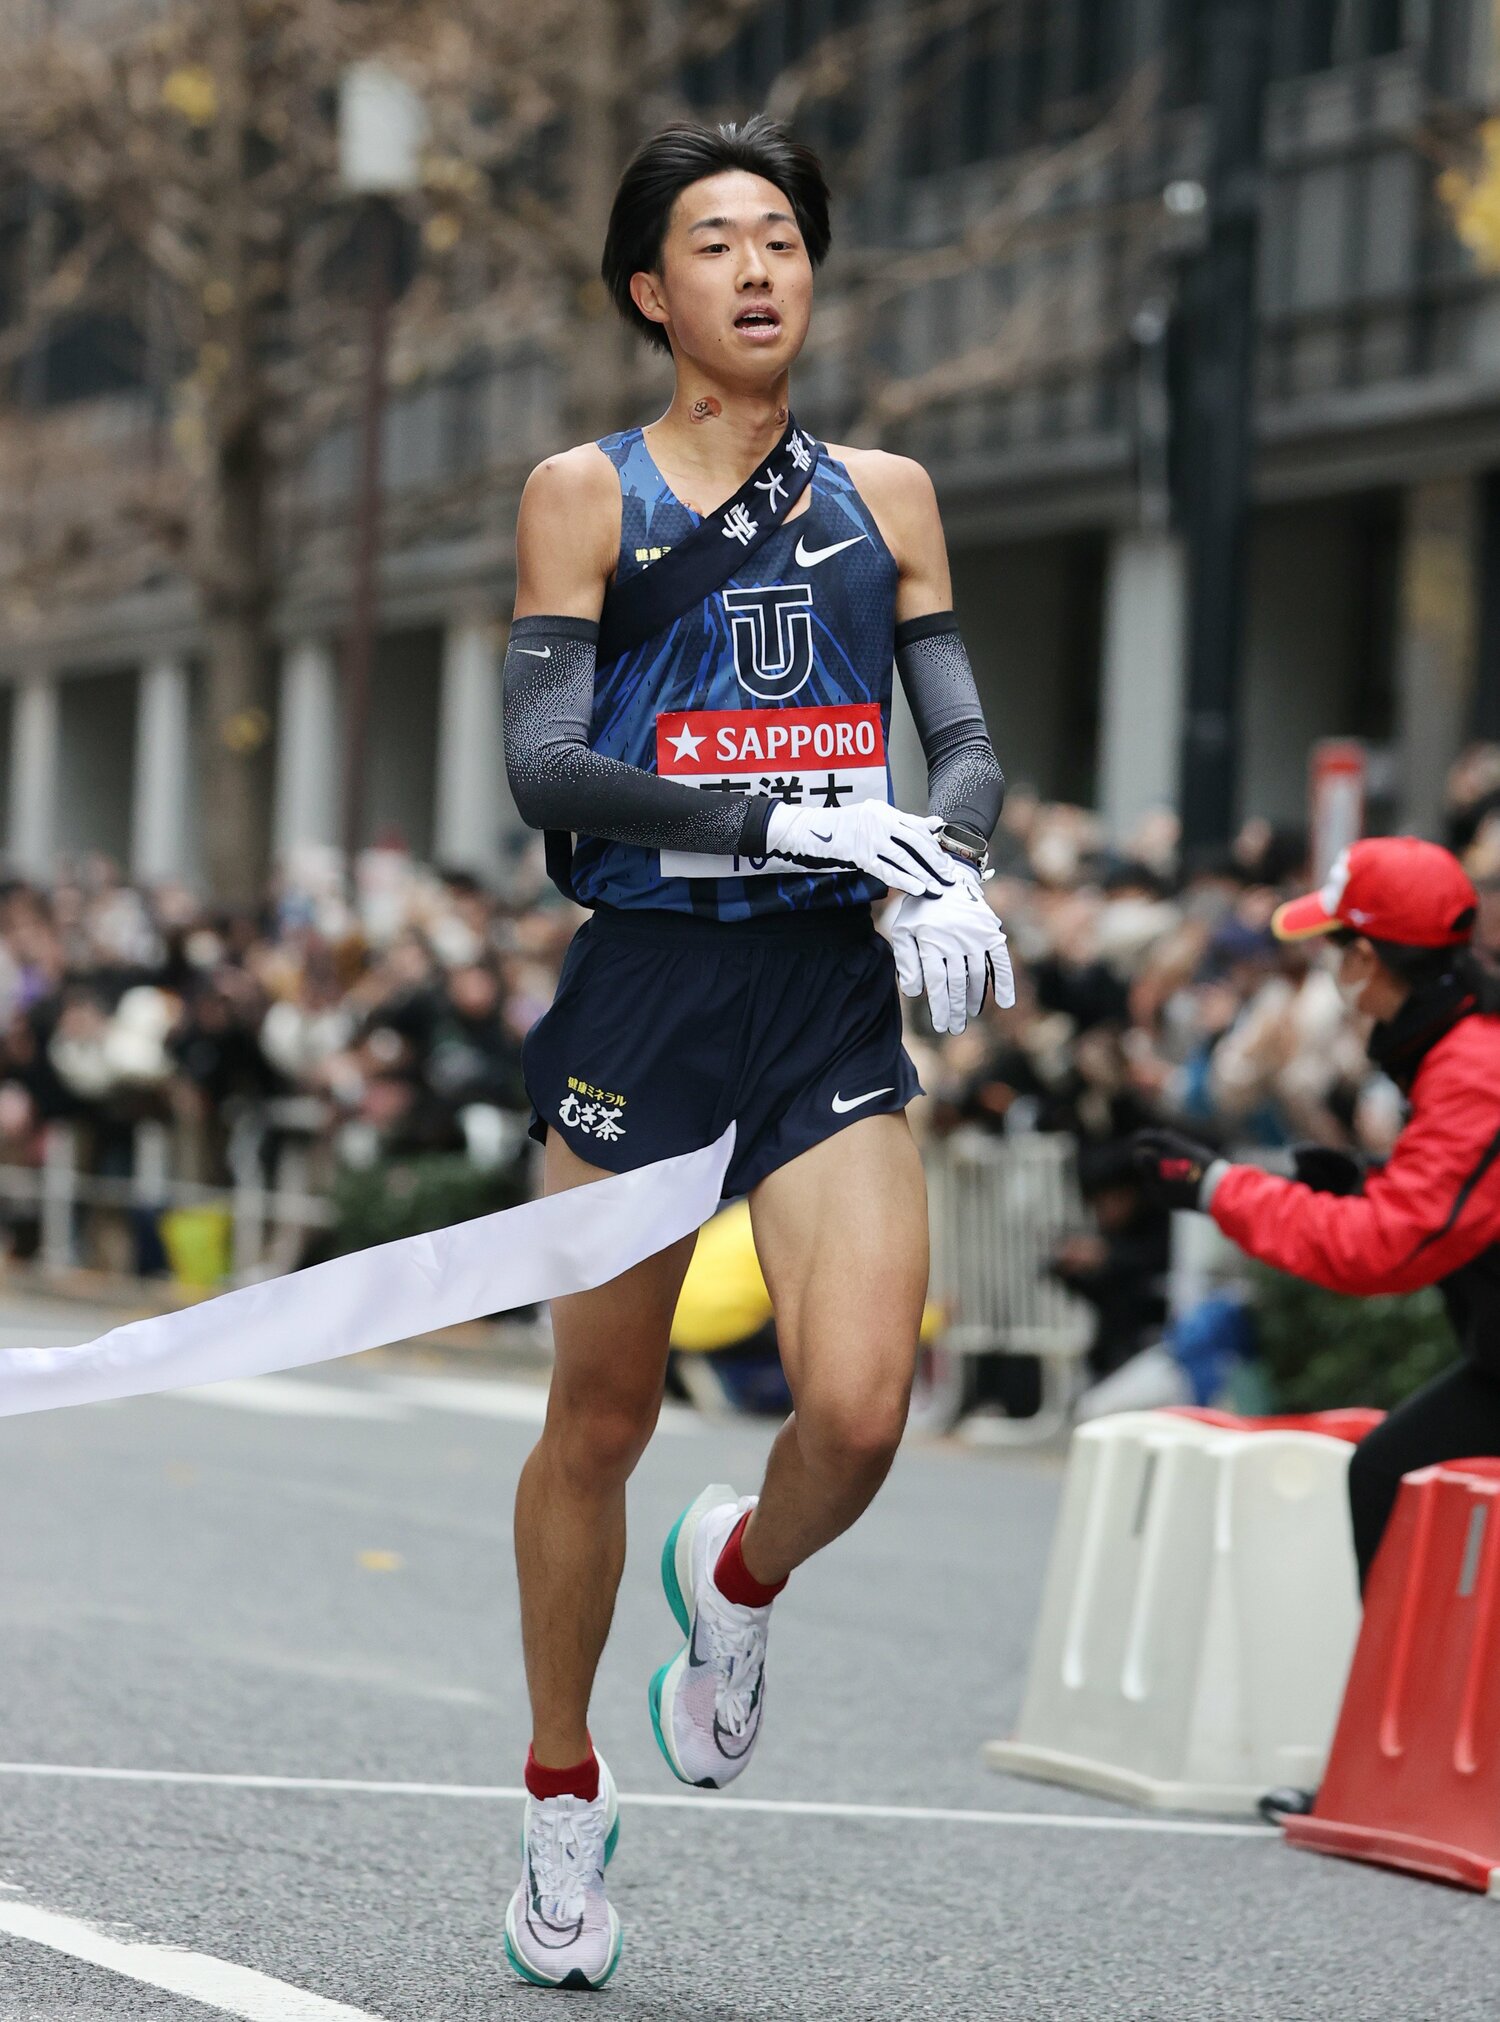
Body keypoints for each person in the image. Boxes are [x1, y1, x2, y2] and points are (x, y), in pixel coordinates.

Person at [497, 115, 1012, 1989]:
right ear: (652, 291)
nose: (758, 267)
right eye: (717, 242)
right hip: (648, 988)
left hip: (818, 992)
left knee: (863, 1409)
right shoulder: (585, 491)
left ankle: (736, 1576)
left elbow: (961, 741)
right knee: (603, 1415)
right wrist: (780, 816)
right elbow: (546, 768)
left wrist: (947, 857)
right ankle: (562, 1796)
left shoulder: (890, 491)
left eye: (782, 236)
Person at [1132, 836, 1500, 1591]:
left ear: (1364, 957)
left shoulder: (1472, 1065)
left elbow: (1382, 1248)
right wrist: (1364, 1184)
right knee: (1391, 1472)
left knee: (1389, 1478)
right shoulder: (1458, 1044)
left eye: (1332, 946)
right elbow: (1450, 1210)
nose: (1325, 967)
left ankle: (1408, 1669)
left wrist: (1214, 1187)